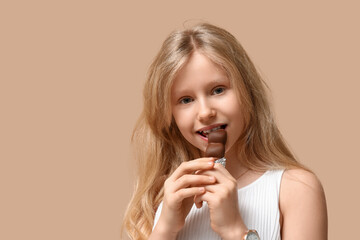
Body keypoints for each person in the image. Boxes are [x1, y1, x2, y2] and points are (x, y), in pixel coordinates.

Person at [122, 23, 327, 240]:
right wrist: (164, 230)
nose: (205, 112)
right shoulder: (161, 196)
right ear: (170, 115)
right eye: (186, 100)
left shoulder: (296, 189)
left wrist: (234, 230)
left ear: (247, 91)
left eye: (218, 90)